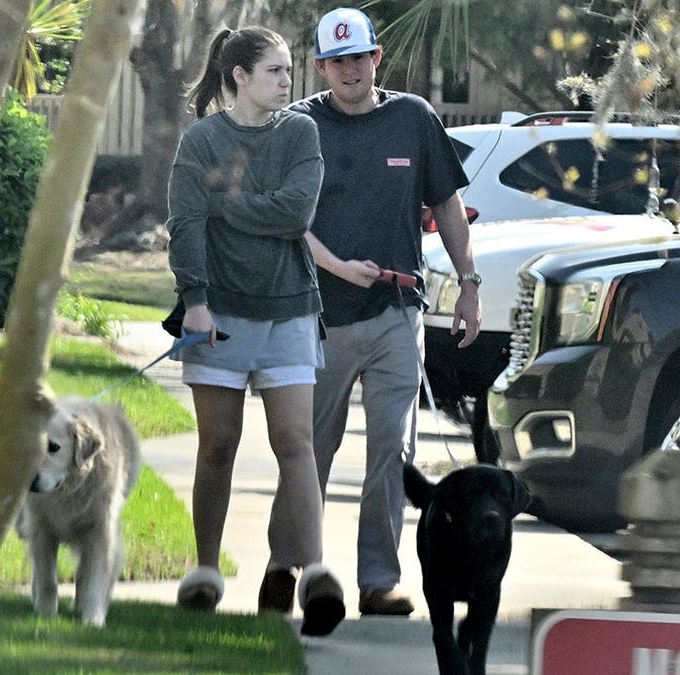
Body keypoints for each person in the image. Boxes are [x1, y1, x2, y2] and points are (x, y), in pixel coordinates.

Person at [286, 7, 482, 616]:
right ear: (321, 66)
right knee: (310, 451)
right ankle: (301, 570)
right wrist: (339, 269)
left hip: (398, 312)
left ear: (377, 58)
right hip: (320, 318)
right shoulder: (299, 126)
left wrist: (469, 284)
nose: (349, 69)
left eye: (359, 57)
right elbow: (286, 224)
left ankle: (378, 579)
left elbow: (447, 206)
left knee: (391, 450)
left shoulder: (414, 119)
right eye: (336, 60)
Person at [165, 25, 345, 637]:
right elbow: (185, 224)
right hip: (217, 315)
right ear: (239, 75)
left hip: (291, 310)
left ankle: (317, 571)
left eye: (289, 71)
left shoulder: (301, 131)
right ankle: (205, 572)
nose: (288, 82)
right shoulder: (201, 140)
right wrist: (194, 301)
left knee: (296, 444)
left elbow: (297, 212)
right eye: (276, 70)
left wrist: (226, 206)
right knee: (217, 447)